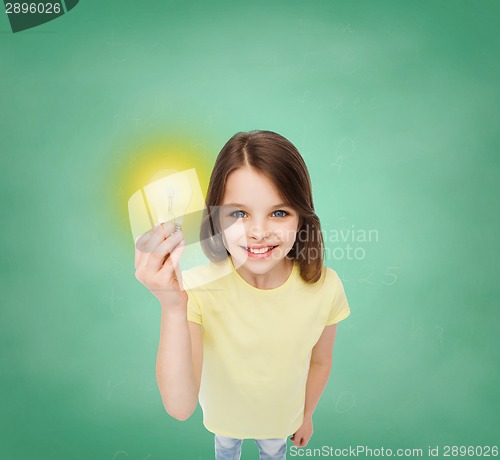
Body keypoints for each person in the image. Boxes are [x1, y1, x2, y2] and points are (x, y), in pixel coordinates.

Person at [134, 130, 351, 460]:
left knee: (273, 450)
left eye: (279, 212)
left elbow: (320, 360)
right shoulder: (197, 289)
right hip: (224, 422)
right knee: (226, 448)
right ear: (215, 218)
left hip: (281, 423)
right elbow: (180, 407)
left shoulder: (326, 287)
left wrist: (306, 415)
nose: (259, 232)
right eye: (239, 213)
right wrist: (173, 307)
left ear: (302, 217)